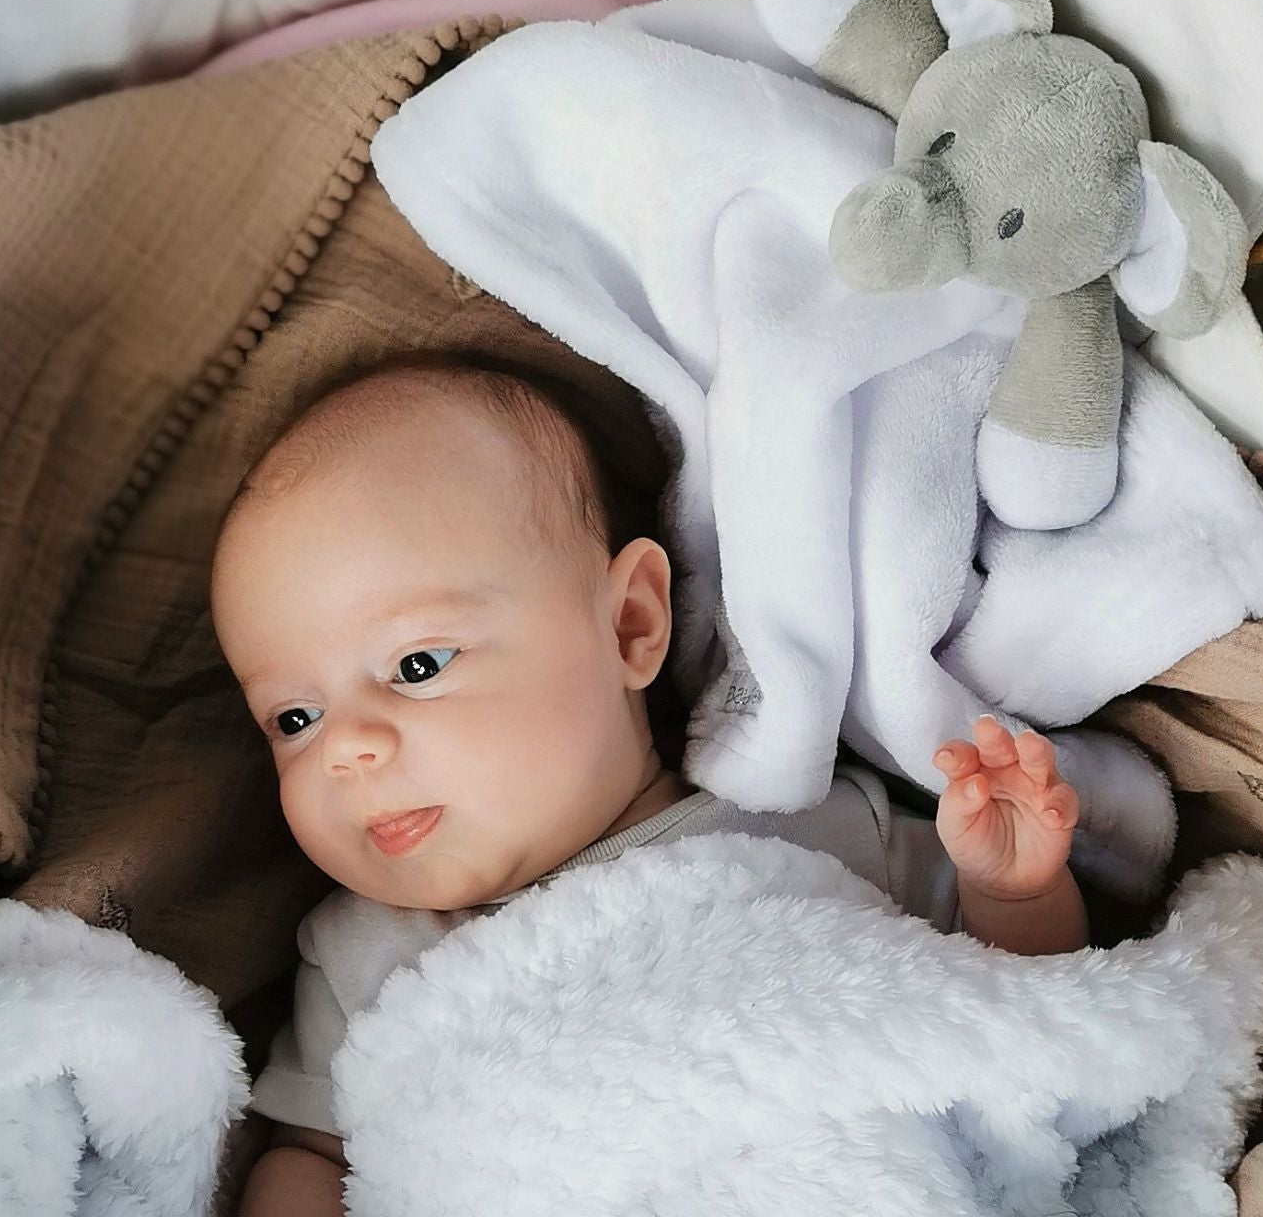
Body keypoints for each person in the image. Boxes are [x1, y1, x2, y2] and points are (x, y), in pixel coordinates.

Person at [210, 352, 1088, 1217]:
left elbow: (1016, 1017)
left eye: (416, 663)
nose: (346, 750)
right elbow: (314, 1157)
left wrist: (1013, 891)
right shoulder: (358, 956)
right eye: (294, 720)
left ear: (629, 623)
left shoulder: (802, 831)